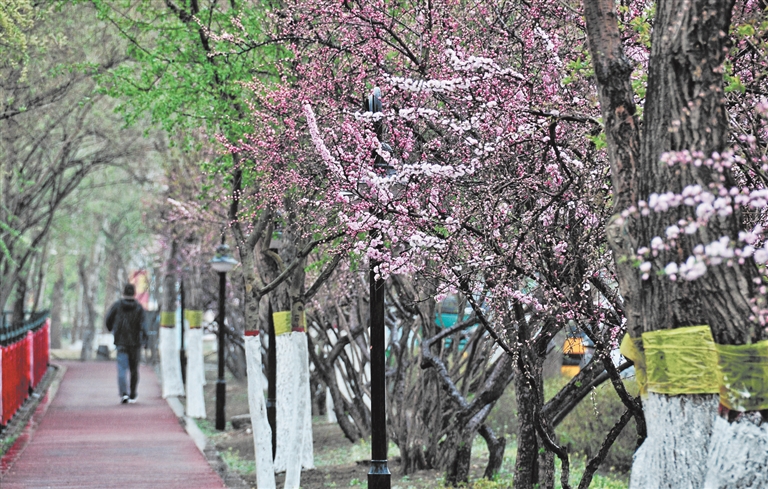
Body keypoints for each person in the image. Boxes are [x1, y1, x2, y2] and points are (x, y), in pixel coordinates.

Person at [105, 283, 147, 404]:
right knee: (134, 369)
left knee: (122, 368)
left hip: (121, 342)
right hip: (135, 343)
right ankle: (133, 394)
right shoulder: (139, 308)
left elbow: (108, 320)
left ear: (124, 293)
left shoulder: (117, 306)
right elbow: (144, 325)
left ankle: (124, 394)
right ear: (134, 293)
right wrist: (145, 339)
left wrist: (112, 330)